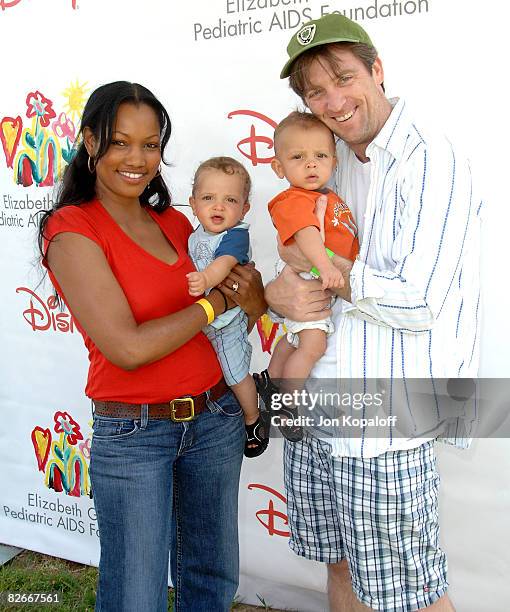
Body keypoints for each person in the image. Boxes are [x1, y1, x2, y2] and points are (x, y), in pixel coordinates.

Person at [266, 14, 481, 612]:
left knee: (411, 591)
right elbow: (293, 260)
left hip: (386, 426)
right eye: (315, 90)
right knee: (341, 564)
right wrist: (280, 292)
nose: (333, 100)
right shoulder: (329, 167)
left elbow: (419, 298)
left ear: (376, 70)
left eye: (344, 76)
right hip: (318, 406)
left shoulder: (428, 158)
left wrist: (327, 277)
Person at [37, 81, 266, 612]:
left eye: (151, 144)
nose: (137, 159)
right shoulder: (72, 228)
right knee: (135, 595)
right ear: (90, 141)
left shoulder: (177, 221)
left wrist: (248, 298)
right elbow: (128, 347)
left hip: (214, 418)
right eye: (120, 142)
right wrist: (216, 306)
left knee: (210, 579)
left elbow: (245, 308)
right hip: (135, 432)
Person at [254, 111, 358, 442]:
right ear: (279, 167)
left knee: (293, 339)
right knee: (313, 345)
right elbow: (308, 234)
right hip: (312, 283)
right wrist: (325, 266)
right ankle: (287, 403)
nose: (311, 165)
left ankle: (270, 380)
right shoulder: (294, 200)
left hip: (314, 288)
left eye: (320, 156)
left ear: (335, 160)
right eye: (298, 157)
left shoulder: (325, 195)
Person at [187, 156, 268, 457]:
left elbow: (225, 263)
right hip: (204, 321)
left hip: (226, 323)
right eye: (208, 198)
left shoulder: (236, 235)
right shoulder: (193, 235)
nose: (218, 207)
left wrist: (206, 277)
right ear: (193, 204)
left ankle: (252, 417)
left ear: (244, 209)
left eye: (230, 200)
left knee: (234, 374)